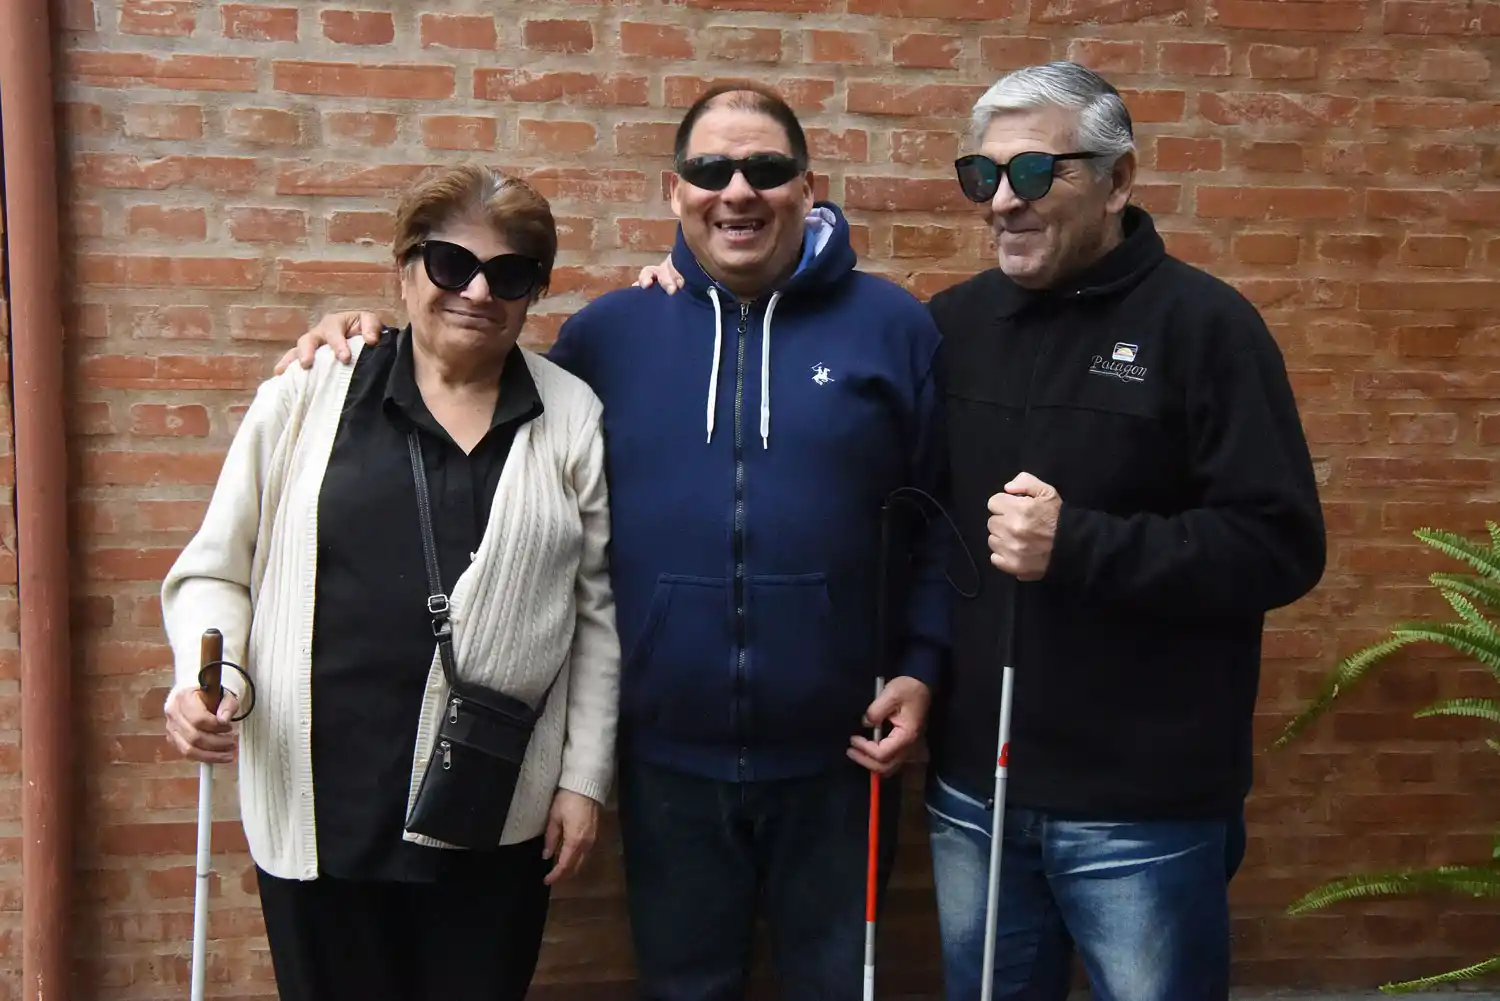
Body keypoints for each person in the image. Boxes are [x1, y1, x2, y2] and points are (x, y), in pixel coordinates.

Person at [634, 61, 1327, 1001]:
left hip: (1141, 806)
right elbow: (917, 527)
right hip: (976, 793)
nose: (1003, 201)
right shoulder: (953, 326)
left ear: (1118, 179)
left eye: (1036, 174)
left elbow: (1280, 543)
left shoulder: (1205, 327)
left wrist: (1078, 544)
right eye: (983, 177)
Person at [272, 83, 953, 1000]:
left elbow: (939, 520)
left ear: (807, 185)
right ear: (676, 192)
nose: (738, 190)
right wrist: (365, 338)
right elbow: (476, 363)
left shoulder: (895, 328)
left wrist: (920, 662)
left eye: (765, 168)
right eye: (711, 170)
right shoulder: (609, 336)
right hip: (666, 762)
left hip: (841, 760)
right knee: (684, 985)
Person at [160, 165, 620, 1001]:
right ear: (405, 269)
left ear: (533, 293)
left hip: (495, 801)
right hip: (322, 802)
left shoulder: (571, 415)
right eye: (450, 264)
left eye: (510, 274)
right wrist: (207, 675)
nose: (477, 290)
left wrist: (583, 779)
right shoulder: (311, 389)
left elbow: (594, 618)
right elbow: (214, 567)